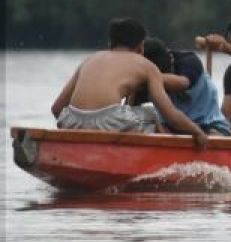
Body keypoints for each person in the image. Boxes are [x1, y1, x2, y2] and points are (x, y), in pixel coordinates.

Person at [51, 18, 207, 148]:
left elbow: (57, 108)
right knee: (152, 116)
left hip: (71, 120)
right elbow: (171, 115)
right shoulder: (146, 65)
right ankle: (169, 158)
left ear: (110, 44)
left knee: (131, 114)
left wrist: (79, 127)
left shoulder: (90, 59)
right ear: (141, 48)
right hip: (109, 119)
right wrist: (197, 132)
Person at [142, 37, 231, 135]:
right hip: (171, 127)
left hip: (209, 125)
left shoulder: (189, 60)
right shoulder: (143, 76)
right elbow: (130, 109)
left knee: (214, 135)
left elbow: (183, 83)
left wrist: (146, 76)